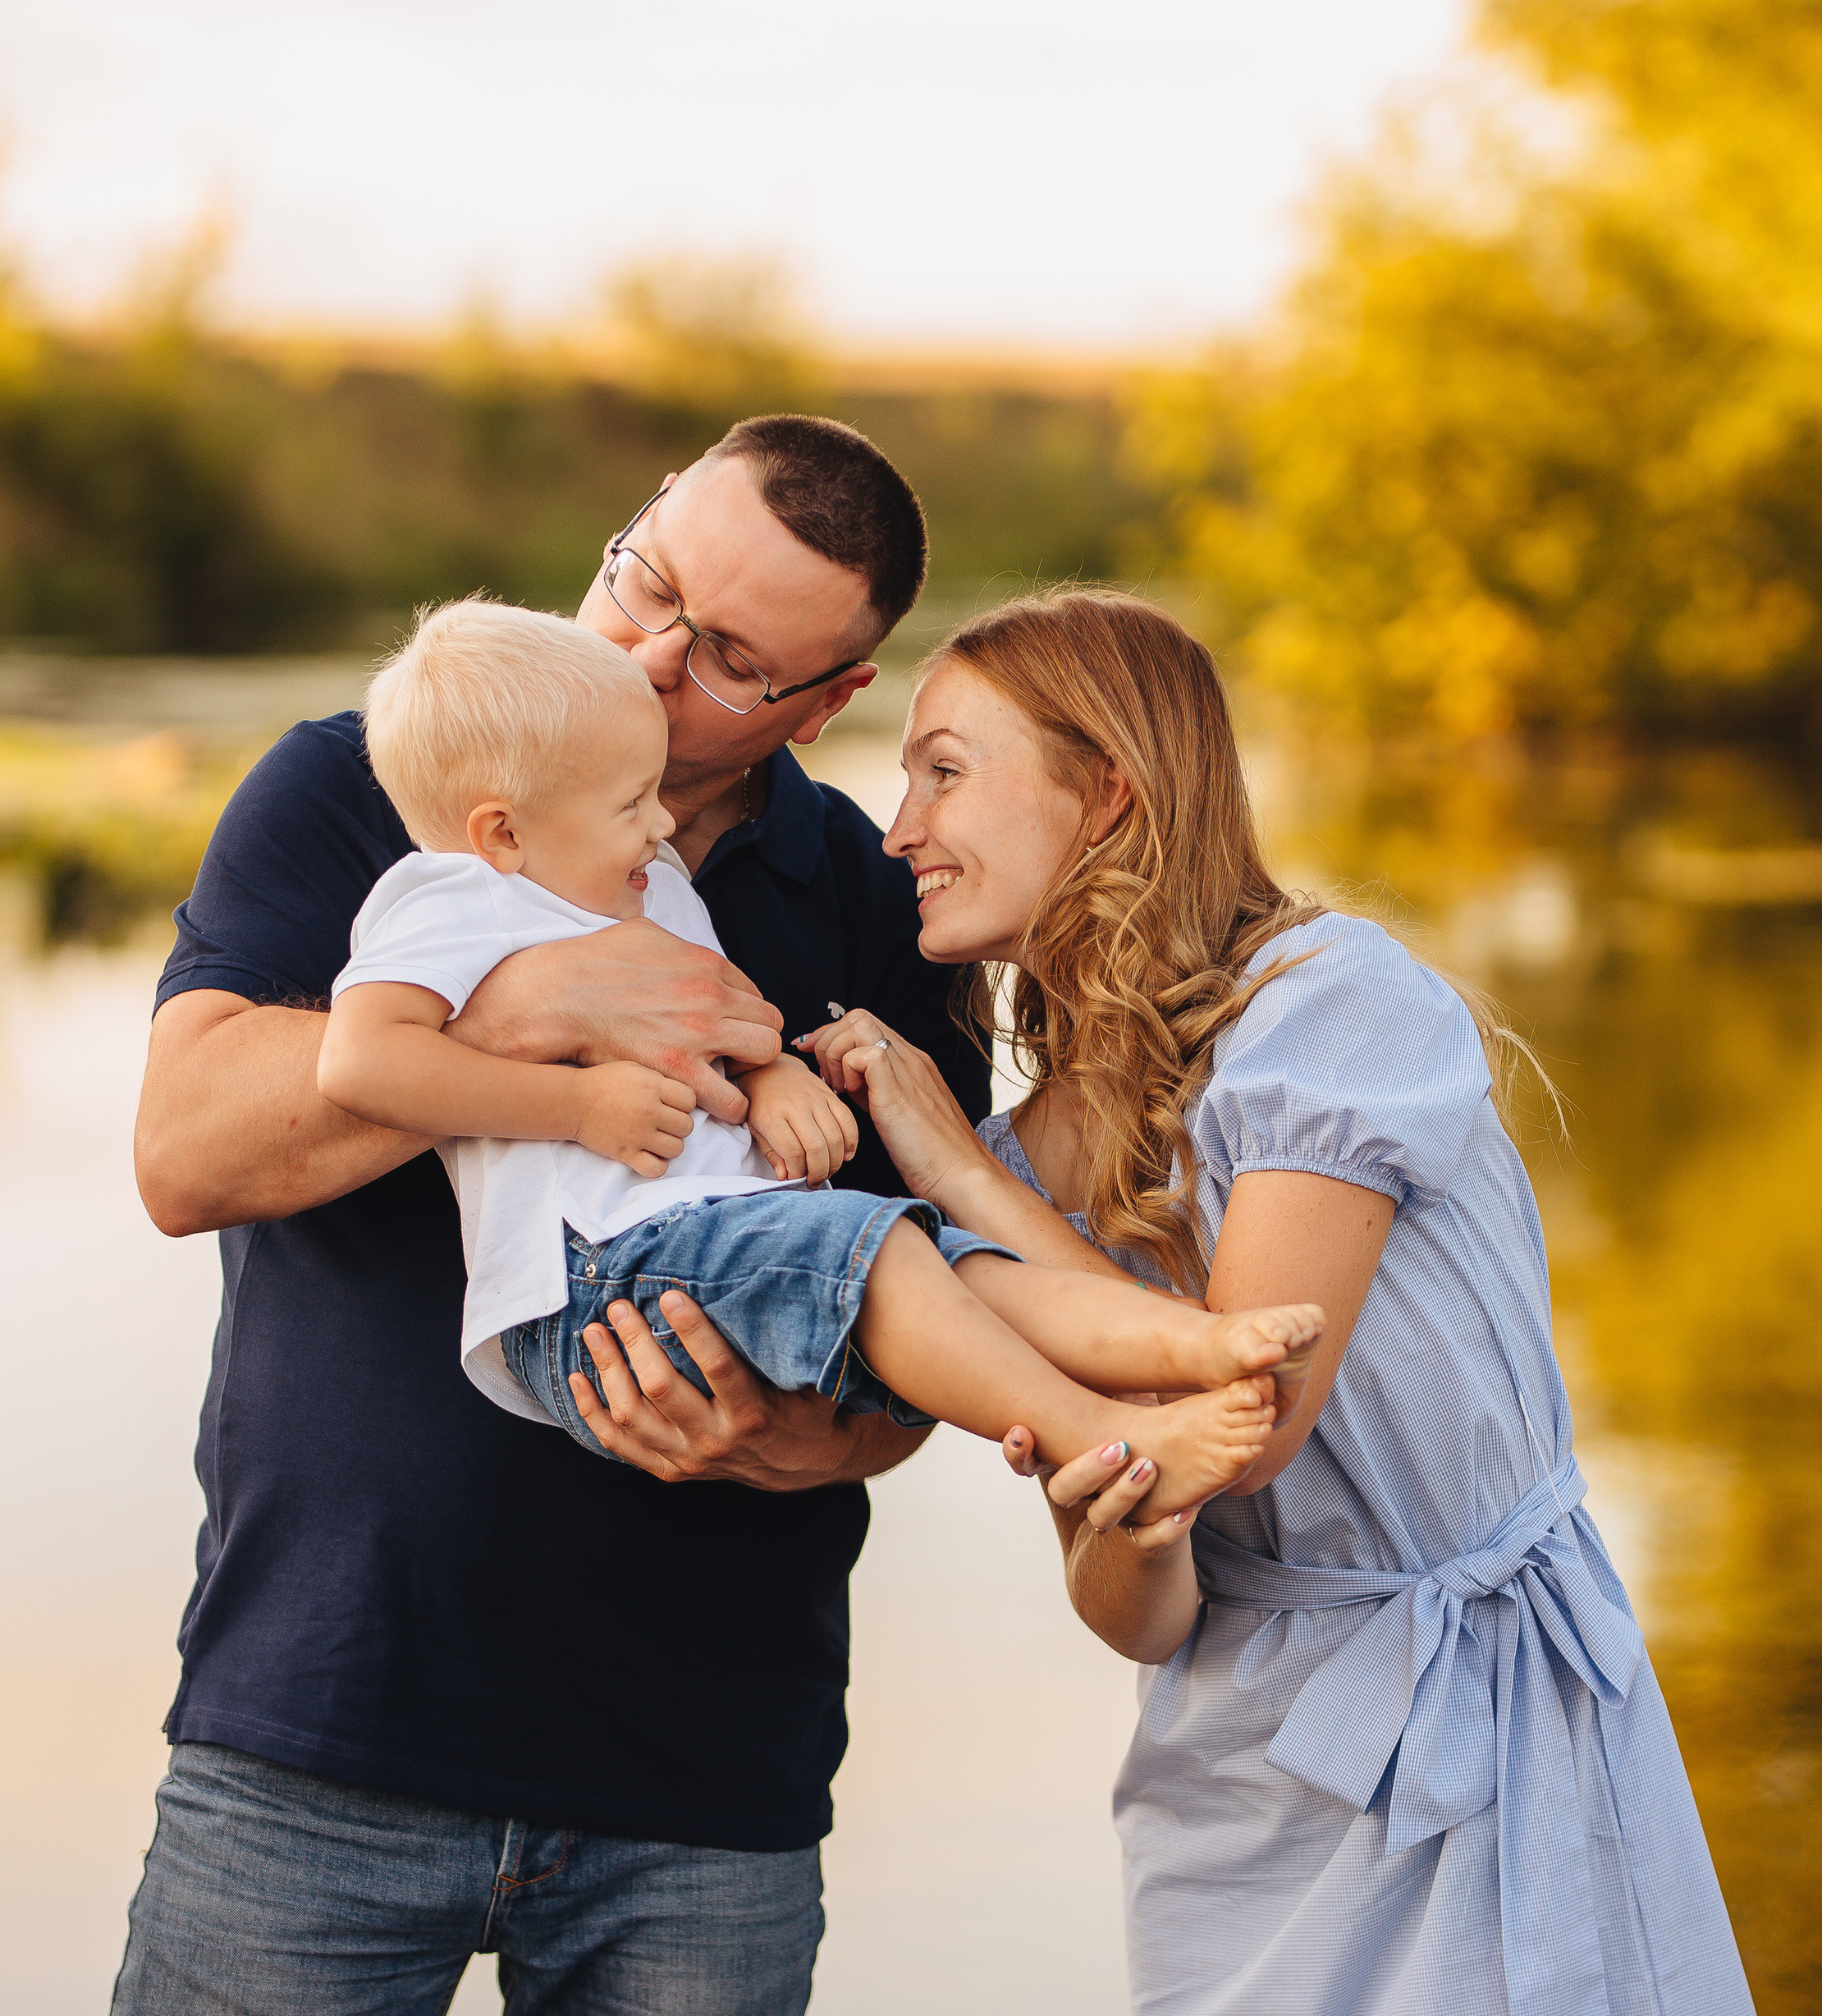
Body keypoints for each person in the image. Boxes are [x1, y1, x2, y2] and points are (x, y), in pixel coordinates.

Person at [797, 589, 1822, 2016]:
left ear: (1104, 789)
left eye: (942, 765)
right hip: (1245, 1787)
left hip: (1473, 1748)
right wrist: (1106, 1502)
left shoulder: (1335, 1004)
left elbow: (1256, 1381)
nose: (897, 819)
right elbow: (1142, 1579)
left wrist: (932, 1162)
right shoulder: (1054, 1150)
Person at [0, 416, 991, 2016]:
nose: (646, 642)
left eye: (728, 654)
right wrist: (513, 1016)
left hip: (700, 1787)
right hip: (319, 1728)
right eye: (646, 574)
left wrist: (794, 1447)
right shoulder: (369, 787)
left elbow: (922, 1332)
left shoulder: (857, 898)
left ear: (820, 707)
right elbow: (184, 1151)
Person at [321, 594, 1319, 1505]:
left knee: (954, 1268)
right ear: (500, 832)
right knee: (880, 1252)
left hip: (718, 1233)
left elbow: (717, 1020)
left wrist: (772, 1075)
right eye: (630, 803)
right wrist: (576, 1108)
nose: (662, 820)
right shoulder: (450, 899)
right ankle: (1109, 1435)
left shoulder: (648, 882)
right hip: (594, 1279)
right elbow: (364, 1067)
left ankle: (1196, 1342)